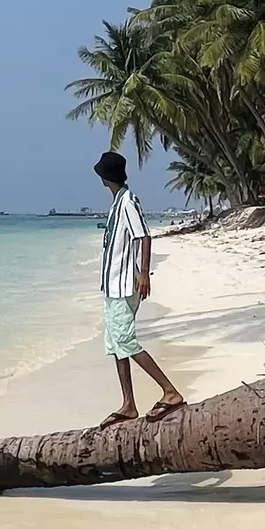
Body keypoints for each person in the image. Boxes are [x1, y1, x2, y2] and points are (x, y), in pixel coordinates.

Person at [94, 150, 186, 426]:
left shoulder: (128, 203)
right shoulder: (117, 203)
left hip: (125, 285)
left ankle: (170, 392)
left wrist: (144, 273)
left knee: (125, 341)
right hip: (112, 286)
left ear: (105, 177)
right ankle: (128, 404)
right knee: (115, 344)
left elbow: (144, 235)